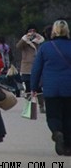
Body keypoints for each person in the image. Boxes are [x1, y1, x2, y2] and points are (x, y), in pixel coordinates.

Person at [30, 19, 71, 156]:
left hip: (51, 88)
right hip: (69, 87)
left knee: (53, 115)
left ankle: (56, 132)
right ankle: (68, 146)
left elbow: (36, 69)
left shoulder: (45, 47)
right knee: (68, 116)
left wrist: (33, 87)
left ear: (54, 31)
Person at [17, 24, 45, 93]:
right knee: (28, 87)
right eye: (30, 31)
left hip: (37, 65)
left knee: (38, 87)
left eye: (34, 31)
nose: (32, 32)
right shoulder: (24, 41)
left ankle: (39, 99)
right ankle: (30, 99)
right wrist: (25, 39)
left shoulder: (40, 40)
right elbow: (18, 46)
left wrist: (39, 39)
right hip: (27, 67)